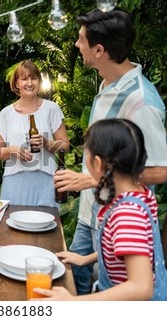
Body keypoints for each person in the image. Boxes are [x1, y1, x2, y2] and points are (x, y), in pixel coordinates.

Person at [53, 8, 167, 294]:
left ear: (100, 49)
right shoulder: (106, 84)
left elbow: (161, 169)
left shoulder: (142, 102)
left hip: (119, 215)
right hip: (94, 213)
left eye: (81, 40)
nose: (77, 46)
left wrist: (91, 180)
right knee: (74, 277)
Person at [35, 119, 167, 300]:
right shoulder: (139, 195)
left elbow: (142, 287)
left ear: (97, 163)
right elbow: (127, 247)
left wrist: (73, 302)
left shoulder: (127, 213)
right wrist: (85, 259)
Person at [0, 60, 69, 207]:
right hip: (14, 182)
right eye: (24, 78)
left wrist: (47, 143)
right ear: (16, 84)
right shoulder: (6, 113)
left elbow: (65, 145)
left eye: (34, 78)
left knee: (46, 226)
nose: (30, 83)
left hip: (46, 180)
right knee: (11, 226)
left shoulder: (51, 109)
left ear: (39, 82)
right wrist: (11, 150)